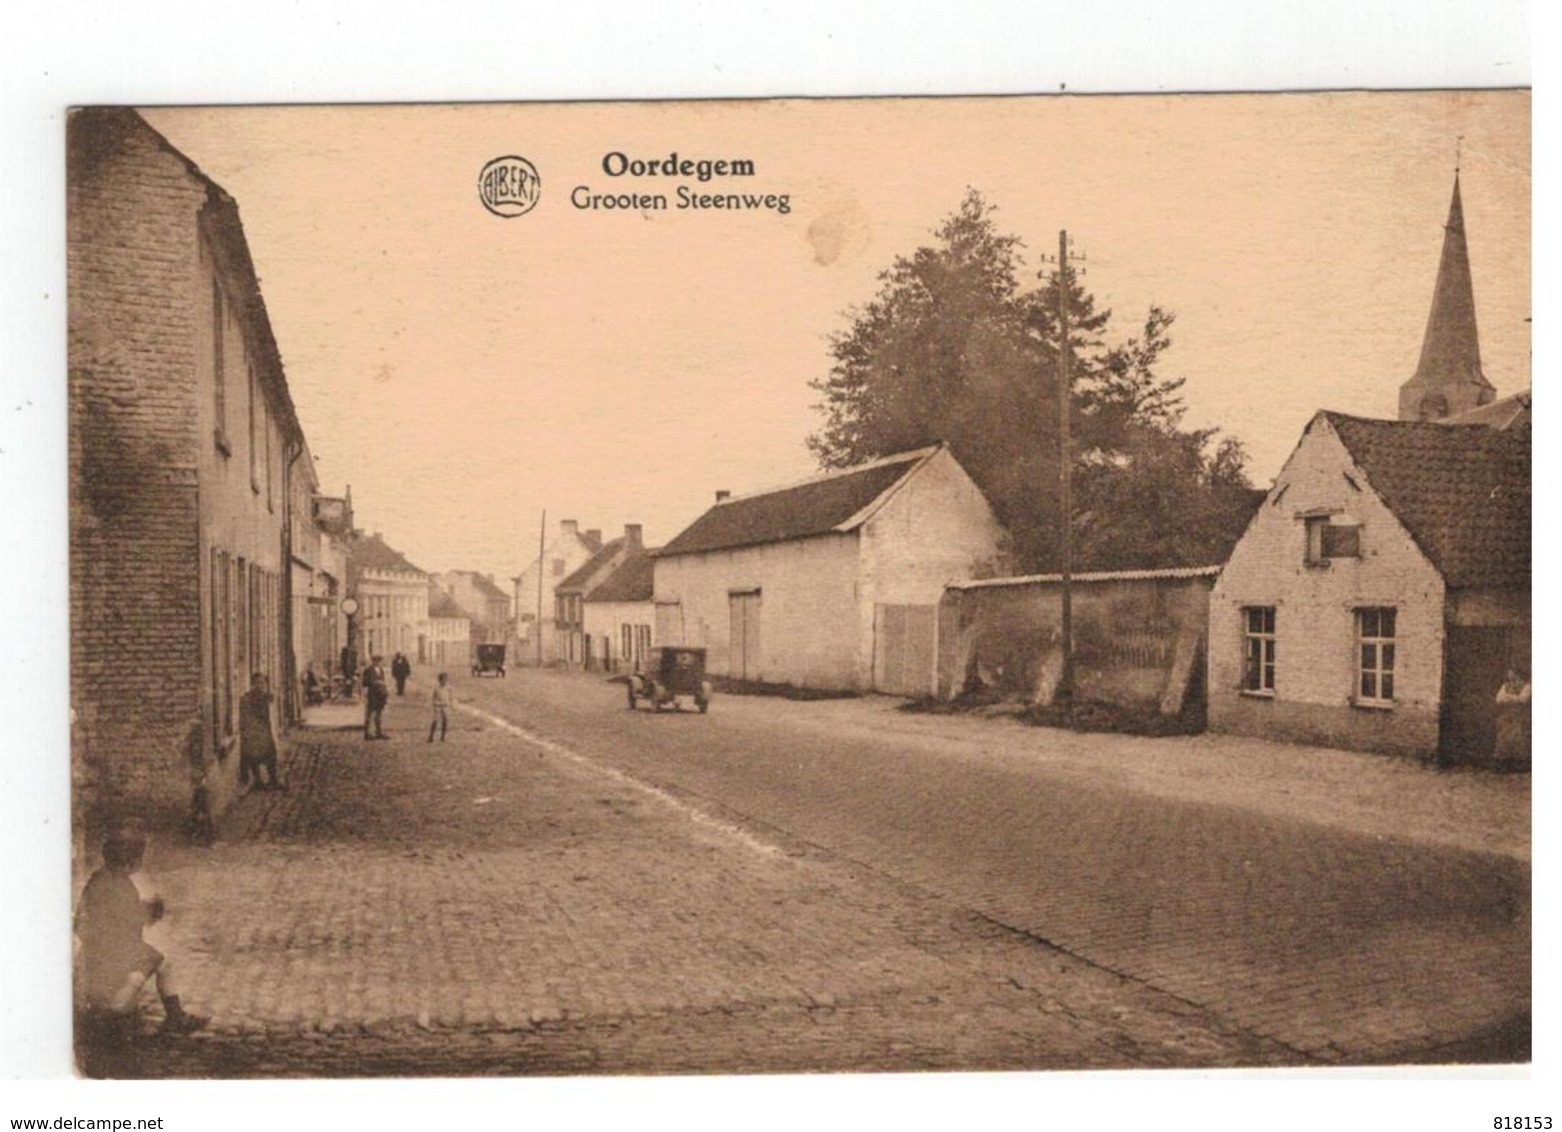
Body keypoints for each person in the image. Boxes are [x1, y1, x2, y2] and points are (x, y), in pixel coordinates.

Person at [75, 826, 207, 1036]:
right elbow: (138, 921)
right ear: (131, 862)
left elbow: (79, 924)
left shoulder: (96, 880)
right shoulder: (124, 886)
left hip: (92, 958)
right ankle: (165, 1015)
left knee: (147, 958)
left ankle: (123, 1009)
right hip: (114, 962)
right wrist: (154, 908)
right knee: (160, 961)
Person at [238, 673, 283, 791]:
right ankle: (258, 781)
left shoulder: (267, 697)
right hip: (253, 732)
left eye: (262, 683)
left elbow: (271, 714)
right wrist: (247, 732)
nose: (260, 686)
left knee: (271, 755)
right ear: (252, 684)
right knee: (254, 757)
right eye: (257, 683)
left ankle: (273, 780)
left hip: (266, 732)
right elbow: (243, 717)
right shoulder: (247, 699)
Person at [1494, 667, 1531, 766]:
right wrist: (1513, 698)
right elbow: (1498, 698)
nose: (1510, 676)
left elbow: (1523, 699)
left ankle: (1520, 762)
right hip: (1506, 715)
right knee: (1503, 737)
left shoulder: (1526, 685)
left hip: (1519, 715)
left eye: (1512, 673)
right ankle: (1503, 762)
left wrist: (1508, 697)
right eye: (1509, 674)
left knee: (1518, 737)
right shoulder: (1506, 685)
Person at [363, 654, 390, 740]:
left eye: (379, 661)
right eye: (376, 661)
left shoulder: (381, 670)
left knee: (379, 713)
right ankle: (367, 733)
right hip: (373, 694)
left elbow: (383, 681)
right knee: (370, 713)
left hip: (380, 694)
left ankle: (378, 732)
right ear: (373, 661)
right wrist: (376, 683)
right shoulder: (368, 670)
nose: (378, 663)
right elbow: (365, 682)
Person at [429, 671, 455, 743]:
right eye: (443, 679)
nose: (445, 681)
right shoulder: (436, 688)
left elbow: (451, 697)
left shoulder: (448, 688)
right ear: (440, 680)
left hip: (445, 706)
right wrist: (434, 704)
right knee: (435, 721)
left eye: (446, 679)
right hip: (438, 706)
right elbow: (433, 697)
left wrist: (451, 704)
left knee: (445, 721)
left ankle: (442, 737)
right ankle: (431, 736)